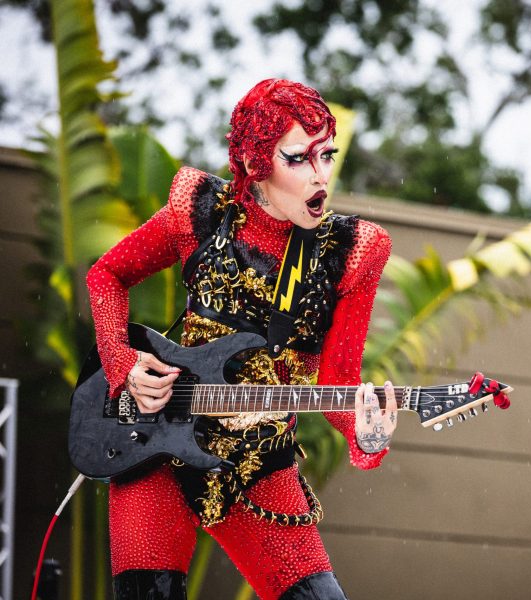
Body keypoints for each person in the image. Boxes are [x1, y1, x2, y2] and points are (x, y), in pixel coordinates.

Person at [86, 78, 397, 600]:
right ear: (256, 162)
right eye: (299, 159)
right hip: (155, 445)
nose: (321, 176)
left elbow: (339, 383)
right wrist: (122, 366)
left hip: (258, 464)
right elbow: (106, 277)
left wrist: (368, 435)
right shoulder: (203, 214)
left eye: (328, 155)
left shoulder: (351, 253)